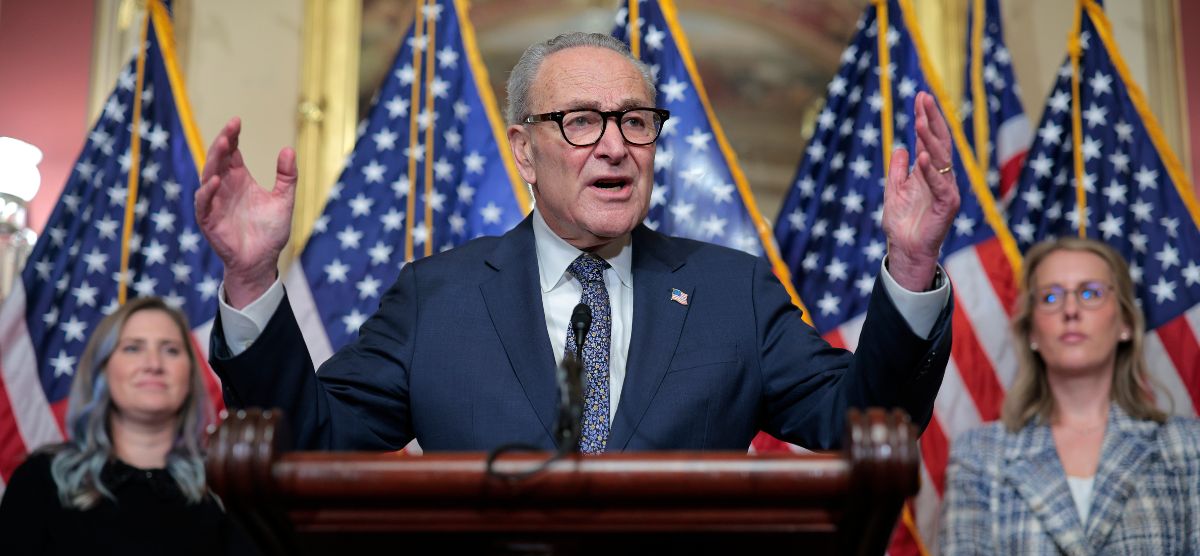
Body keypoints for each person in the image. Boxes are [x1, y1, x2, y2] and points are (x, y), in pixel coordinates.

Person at [196, 32, 959, 453]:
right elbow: (310, 440)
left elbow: (867, 420)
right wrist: (255, 279)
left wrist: (914, 265)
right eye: (581, 122)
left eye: (636, 121)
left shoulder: (733, 292)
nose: (616, 147)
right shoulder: (439, 298)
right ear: (524, 152)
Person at [937, 238, 1200, 556]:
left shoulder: (1186, 446)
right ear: (1031, 331)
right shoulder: (980, 455)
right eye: (1051, 297)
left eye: (1091, 293)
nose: (1071, 310)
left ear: (1125, 323)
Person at [0, 298, 272, 556]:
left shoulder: (226, 492)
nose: (153, 363)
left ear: (190, 372)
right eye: (133, 348)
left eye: (171, 350)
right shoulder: (42, 481)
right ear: (102, 369)